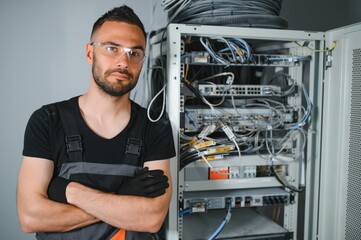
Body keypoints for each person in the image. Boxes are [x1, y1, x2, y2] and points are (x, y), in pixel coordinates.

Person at [16, 5, 175, 240]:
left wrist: (70, 191)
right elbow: (31, 217)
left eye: (135, 53)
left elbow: (150, 219)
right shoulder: (47, 121)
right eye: (112, 48)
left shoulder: (155, 127)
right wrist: (121, 195)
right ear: (90, 53)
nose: (123, 62)